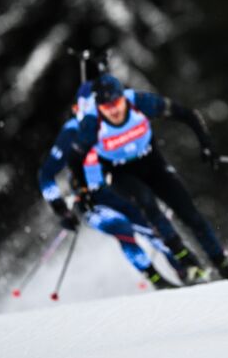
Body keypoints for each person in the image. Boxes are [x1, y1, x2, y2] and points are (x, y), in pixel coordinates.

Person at [67, 74, 228, 281]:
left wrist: (206, 144)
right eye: (107, 107)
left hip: (152, 164)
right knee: (147, 203)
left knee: (189, 212)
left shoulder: (141, 102)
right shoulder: (91, 122)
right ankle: (187, 264)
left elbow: (187, 114)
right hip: (120, 173)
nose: (114, 110)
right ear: (99, 107)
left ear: (123, 98)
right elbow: (75, 158)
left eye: (116, 103)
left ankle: (223, 265)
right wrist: (83, 189)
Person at [39, 82, 184, 290]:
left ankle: (187, 271)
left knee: (156, 229)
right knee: (122, 229)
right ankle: (156, 279)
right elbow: (46, 174)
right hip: (92, 200)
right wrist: (60, 209)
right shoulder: (71, 132)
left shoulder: (119, 123)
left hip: (121, 192)